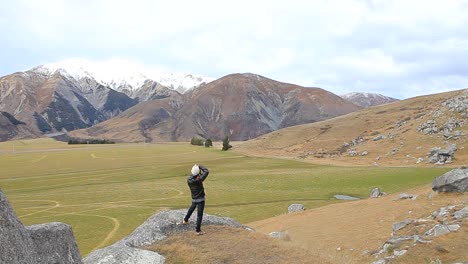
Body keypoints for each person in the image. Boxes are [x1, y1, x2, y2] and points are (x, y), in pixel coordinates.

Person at [183, 164, 209, 235]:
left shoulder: (189, 179)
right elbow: (206, 171)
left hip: (194, 197)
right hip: (200, 199)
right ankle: (198, 230)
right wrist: (200, 166)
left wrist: (196, 169)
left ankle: (185, 220)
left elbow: (195, 176)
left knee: (192, 208)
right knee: (199, 215)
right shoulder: (199, 179)